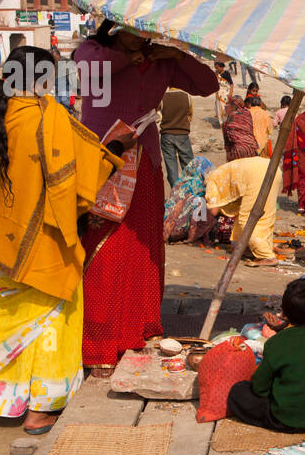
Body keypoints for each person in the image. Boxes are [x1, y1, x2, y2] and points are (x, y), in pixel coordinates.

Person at [0, 46, 125, 433]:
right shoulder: (49, 117)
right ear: (44, 79)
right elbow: (72, 179)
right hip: (42, 240)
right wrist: (112, 153)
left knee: (13, 315)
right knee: (52, 322)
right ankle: (41, 409)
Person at [73, 21, 218, 375]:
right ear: (113, 27)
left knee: (143, 250)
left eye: (143, 30)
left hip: (146, 162)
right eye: (130, 29)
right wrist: (132, 54)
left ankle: (138, 329)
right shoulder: (91, 52)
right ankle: (98, 343)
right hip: (102, 160)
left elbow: (207, 84)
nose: (139, 35)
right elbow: (88, 70)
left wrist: (176, 54)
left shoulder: (162, 61)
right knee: (102, 249)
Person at [227, 278, 305, 430]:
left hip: (285, 420)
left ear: (284, 313)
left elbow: (259, 388)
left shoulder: (276, 342)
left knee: (238, 392)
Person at [204, 155, 284, 266]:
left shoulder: (211, 179)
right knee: (265, 216)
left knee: (247, 219)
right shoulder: (222, 171)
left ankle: (266, 256)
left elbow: (213, 211)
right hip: (273, 168)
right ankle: (247, 248)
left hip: (257, 175)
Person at [163, 156, 216, 244]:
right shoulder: (197, 184)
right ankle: (194, 235)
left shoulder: (180, 182)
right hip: (178, 228)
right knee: (201, 202)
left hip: (165, 225)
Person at [158, 88, 193, 188]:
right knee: (188, 166)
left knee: (171, 168)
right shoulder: (187, 96)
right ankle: (190, 191)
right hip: (183, 135)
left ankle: (176, 194)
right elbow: (190, 115)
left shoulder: (162, 97)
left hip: (167, 135)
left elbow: (157, 112)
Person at [220, 90, 260, 161]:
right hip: (252, 148)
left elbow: (227, 144)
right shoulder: (248, 113)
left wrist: (229, 161)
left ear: (233, 105)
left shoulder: (229, 118)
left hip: (238, 151)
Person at [244, 87, 273, 154]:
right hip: (263, 144)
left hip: (249, 144)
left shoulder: (246, 113)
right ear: (260, 104)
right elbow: (270, 129)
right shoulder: (265, 114)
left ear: (250, 104)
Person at [213, 61, 235, 125]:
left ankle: (226, 120)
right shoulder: (216, 73)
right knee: (219, 106)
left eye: (217, 68)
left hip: (226, 93)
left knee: (225, 106)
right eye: (215, 68)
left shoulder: (226, 73)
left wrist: (230, 92)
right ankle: (221, 120)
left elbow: (231, 84)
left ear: (222, 67)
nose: (216, 69)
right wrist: (216, 74)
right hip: (219, 93)